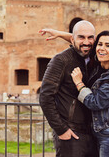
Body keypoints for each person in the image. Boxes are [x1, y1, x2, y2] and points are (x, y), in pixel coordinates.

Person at [39, 20, 98, 157]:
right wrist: (61, 129)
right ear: (72, 39)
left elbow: (105, 42)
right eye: (81, 37)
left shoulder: (95, 57)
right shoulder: (61, 60)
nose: (86, 42)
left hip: (93, 132)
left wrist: (59, 34)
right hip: (71, 132)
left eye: (90, 37)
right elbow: (45, 97)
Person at [71, 30, 109, 156]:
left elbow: (95, 102)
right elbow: (85, 42)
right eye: (100, 44)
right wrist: (58, 34)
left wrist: (79, 83)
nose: (102, 49)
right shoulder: (99, 67)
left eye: (108, 45)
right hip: (102, 133)